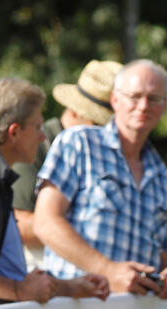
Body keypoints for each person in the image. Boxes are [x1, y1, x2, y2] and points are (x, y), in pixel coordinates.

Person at [0, 79, 108, 305]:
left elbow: (7, 272)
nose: (42, 136)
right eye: (37, 127)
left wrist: (70, 287)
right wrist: (19, 291)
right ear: (14, 132)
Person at [34, 60, 167, 298]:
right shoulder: (79, 143)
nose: (144, 106)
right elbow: (45, 223)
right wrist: (107, 270)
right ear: (115, 100)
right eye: (135, 96)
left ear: (165, 105)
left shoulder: (162, 178)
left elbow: (164, 259)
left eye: (154, 99)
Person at [11, 59, 122, 256]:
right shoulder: (35, 145)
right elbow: (18, 224)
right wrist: (96, 227)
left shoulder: (111, 154)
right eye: (99, 123)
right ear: (74, 111)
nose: (108, 135)